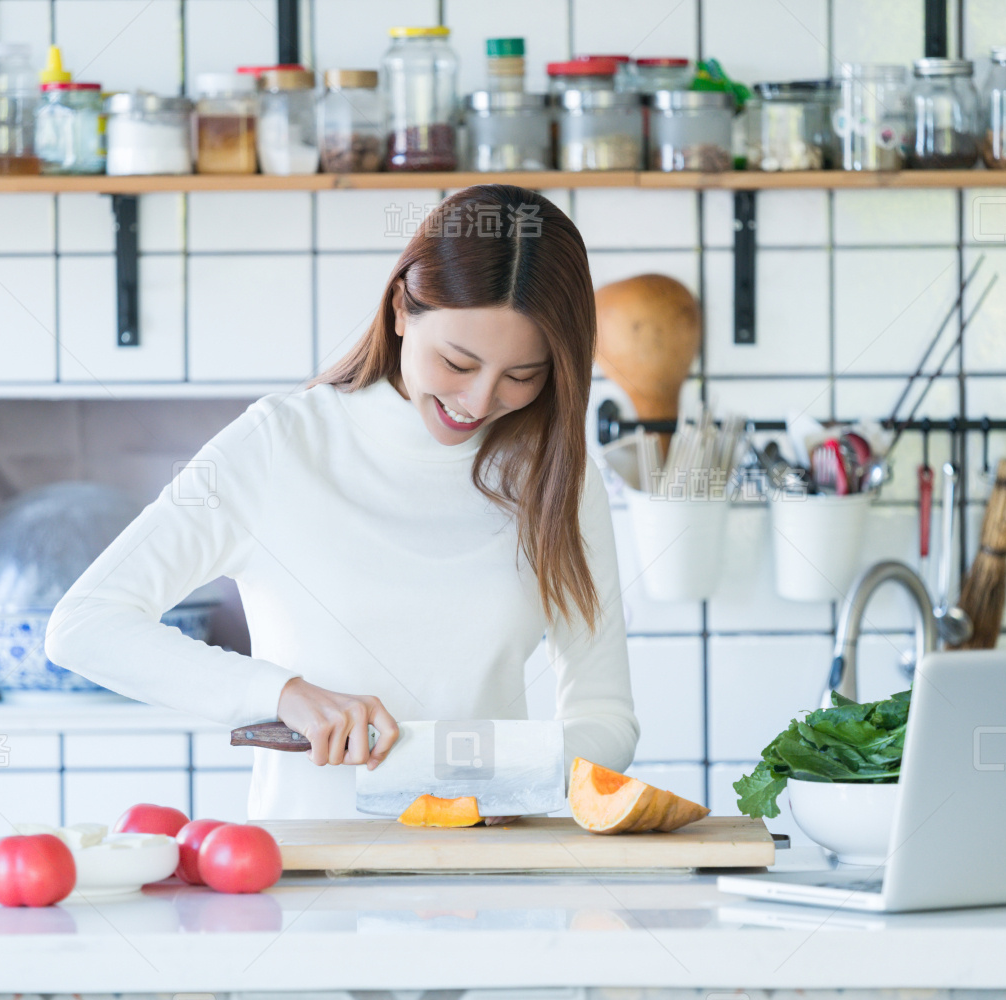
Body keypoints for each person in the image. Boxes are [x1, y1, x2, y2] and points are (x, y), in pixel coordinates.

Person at [46, 184, 638, 820]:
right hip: (308, 876)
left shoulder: (559, 478)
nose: (478, 400)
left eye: (522, 376)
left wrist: (510, 776)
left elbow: (606, 720)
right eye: (457, 362)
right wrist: (280, 694)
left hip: (489, 877)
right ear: (401, 311)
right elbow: (85, 625)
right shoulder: (279, 443)